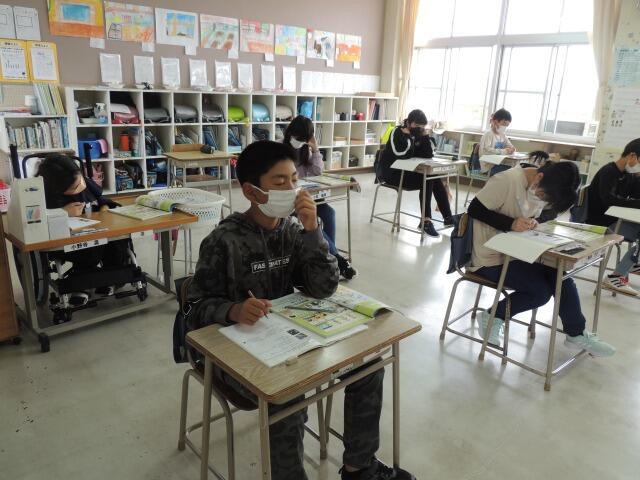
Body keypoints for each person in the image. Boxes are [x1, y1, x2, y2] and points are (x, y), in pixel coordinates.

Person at [188, 140, 415, 480]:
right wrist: (233, 310)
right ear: (250, 191)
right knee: (288, 398)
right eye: (279, 182)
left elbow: (323, 288)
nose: (292, 189)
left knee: (369, 368)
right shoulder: (223, 241)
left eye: (294, 179)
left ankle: (359, 467)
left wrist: (313, 232)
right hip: (234, 352)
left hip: (288, 338)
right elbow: (194, 309)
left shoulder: (293, 231)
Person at [467, 162, 615, 357]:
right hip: (491, 257)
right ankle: (493, 316)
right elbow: (474, 209)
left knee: (560, 275)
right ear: (539, 177)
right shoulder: (506, 180)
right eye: (544, 196)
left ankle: (576, 333)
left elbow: (541, 213)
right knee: (539, 292)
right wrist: (510, 223)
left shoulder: (543, 188)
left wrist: (534, 222)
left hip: (518, 252)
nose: (542, 200)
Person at [36, 154, 129, 298]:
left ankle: (113, 278)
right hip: (72, 242)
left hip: (98, 231)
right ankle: (81, 284)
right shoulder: (45, 196)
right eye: (74, 187)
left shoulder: (83, 182)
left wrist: (104, 208)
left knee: (118, 240)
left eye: (79, 180)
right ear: (57, 188)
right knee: (88, 250)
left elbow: (101, 200)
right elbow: (37, 222)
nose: (80, 186)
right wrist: (63, 212)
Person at [284, 115, 357, 279]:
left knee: (329, 212)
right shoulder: (281, 149)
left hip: (309, 196)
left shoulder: (305, 149)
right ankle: (337, 260)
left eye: (303, 139)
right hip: (291, 200)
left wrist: (315, 149)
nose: (299, 142)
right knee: (312, 220)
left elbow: (317, 171)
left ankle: (329, 254)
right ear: (291, 133)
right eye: (298, 138)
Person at [379, 109, 453, 238]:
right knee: (428, 179)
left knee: (431, 177)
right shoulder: (397, 132)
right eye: (417, 125)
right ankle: (428, 220)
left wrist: (424, 136)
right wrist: (408, 137)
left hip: (408, 173)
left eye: (422, 126)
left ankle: (445, 218)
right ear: (409, 122)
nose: (419, 129)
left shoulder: (419, 133)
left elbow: (428, 155)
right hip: (392, 174)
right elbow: (400, 154)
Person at [586, 138, 640, 295]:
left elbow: (635, 196)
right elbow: (609, 200)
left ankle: (632, 262)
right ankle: (620, 273)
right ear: (632, 156)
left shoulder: (629, 175)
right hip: (601, 224)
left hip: (617, 220)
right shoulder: (608, 172)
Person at [479, 108, 516, 176]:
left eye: (507, 125)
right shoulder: (488, 134)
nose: (505, 127)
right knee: (511, 173)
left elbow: (511, 147)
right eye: (504, 124)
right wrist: (504, 151)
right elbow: (486, 151)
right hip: (488, 167)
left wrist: (512, 149)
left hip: (498, 164)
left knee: (515, 170)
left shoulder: (503, 135)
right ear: (496, 122)